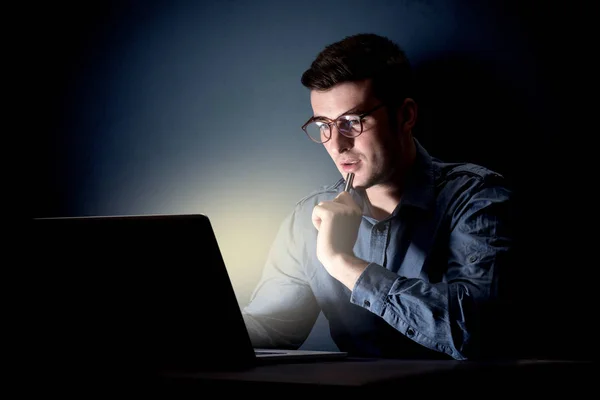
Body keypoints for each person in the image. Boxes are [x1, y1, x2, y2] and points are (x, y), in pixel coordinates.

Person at [241, 33, 514, 361]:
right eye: (323, 125)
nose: (336, 144)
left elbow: (475, 333)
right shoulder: (306, 218)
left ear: (405, 116)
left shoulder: (475, 197)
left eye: (352, 122)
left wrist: (341, 262)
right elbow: (272, 329)